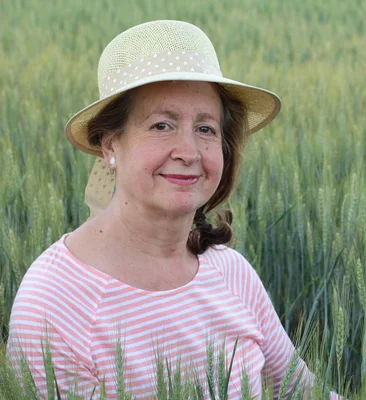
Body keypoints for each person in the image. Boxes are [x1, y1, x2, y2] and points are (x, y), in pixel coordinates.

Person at [7, 20, 332, 399]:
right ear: (110, 144)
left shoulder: (231, 273)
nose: (189, 152)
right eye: (162, 125)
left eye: (206, 129)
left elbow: (302, 392)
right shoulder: (55, 304)